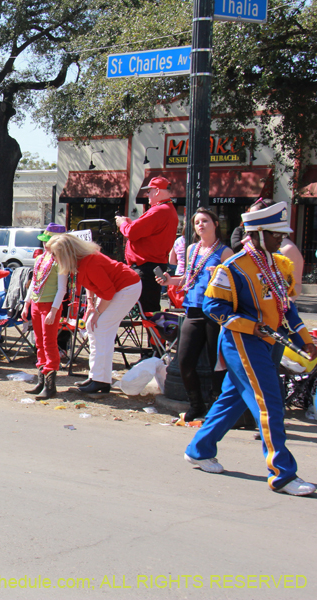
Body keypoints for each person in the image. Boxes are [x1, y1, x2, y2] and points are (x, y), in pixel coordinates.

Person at [185, 201, 317, 497]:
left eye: (282, 234)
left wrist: (305, 340)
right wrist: (250, 326)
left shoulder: (279, 265)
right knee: (270, 405)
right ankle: (282, 474)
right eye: (275, 234)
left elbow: (287, 310)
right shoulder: (233, 267)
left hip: (269, 343)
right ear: (256, 233)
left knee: (233, 399)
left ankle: (199, 449)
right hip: (241, 343)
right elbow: (212, 306)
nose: (280, 239)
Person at [156, 208, 233, 421]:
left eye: (205, 221)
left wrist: (220, 274)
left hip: (215, 311)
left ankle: (216, 406)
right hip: (192, 309)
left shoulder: (225, 252)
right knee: (184, 360)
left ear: (215, 224)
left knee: (216, 362)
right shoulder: (192, 249)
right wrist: (169, 280)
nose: (200, 225)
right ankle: (196, 404)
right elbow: (188, 279)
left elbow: (235, 283)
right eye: (197, 222)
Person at [47, 233, 141, 396]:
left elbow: (108, 292)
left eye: (54, 254)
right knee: (93, 328)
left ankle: (100, 380)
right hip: (118, 288)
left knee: (101, 328)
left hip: (126, 288)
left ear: (66, 253)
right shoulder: (82, 261)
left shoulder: (90, 263)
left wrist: (98, 311)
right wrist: (91, 304)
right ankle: (97, 378)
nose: (52, 257)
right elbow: (92, 283)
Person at [116, 176, 178, 312]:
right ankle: (154, 332)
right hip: (151, 266)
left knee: (148, 313)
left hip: (146, 268)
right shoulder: (166, 210)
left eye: (149, 191)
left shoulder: (159, 210)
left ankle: (155, 333)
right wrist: (129, 224)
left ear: (156, 191)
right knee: (149, 311)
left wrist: (123, 224)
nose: (147, 194)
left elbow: (131, 232)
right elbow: (146, 232)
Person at [21, 223, 68, 399]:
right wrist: (26, 304)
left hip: (50, 305)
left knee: (49, 343)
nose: (44, 245)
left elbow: (62, 289)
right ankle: (41, 380)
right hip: (36, 303)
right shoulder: (40, 258)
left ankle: (50, 384)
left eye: (48, 241)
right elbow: (34, 282)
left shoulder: (61, 260)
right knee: (39, 343)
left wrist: (54, 310)